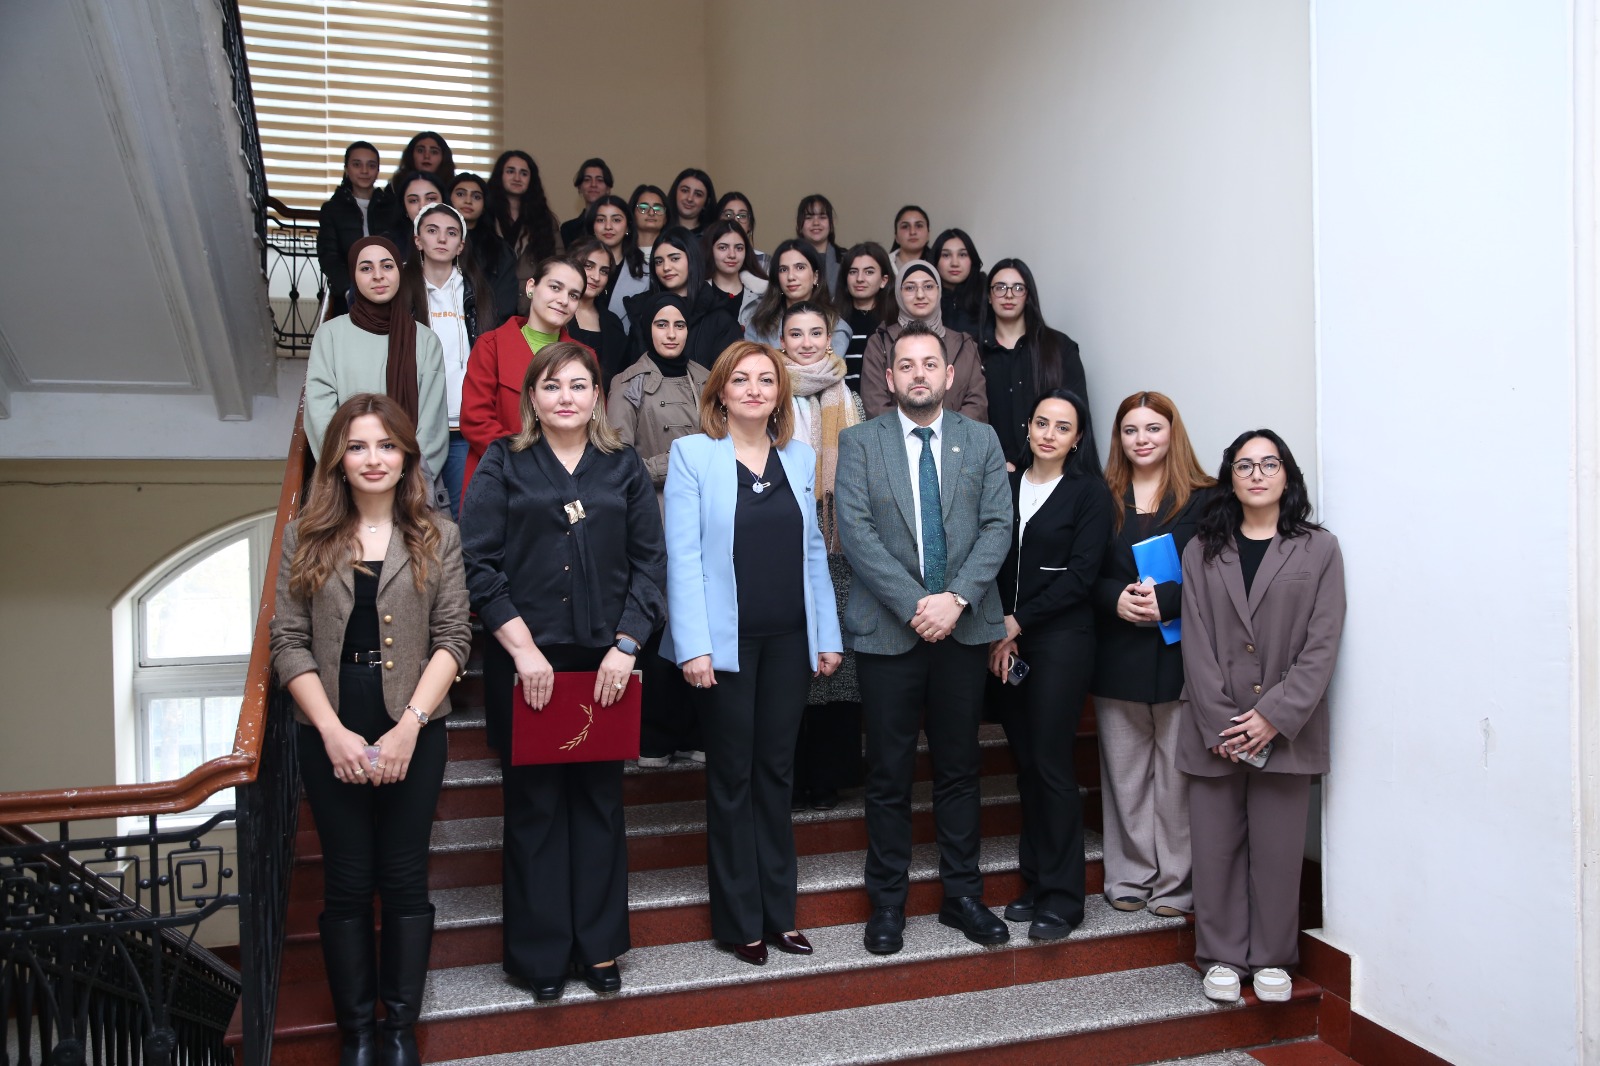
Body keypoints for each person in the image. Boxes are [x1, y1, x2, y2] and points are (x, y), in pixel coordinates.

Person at [460, 342, 667, 1002]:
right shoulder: (504, 461)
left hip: (605, 664)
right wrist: (523, 652)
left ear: (597, 395)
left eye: (578, 385)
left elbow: (650, 562)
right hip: (527, 663)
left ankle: (599, 947)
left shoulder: (622, 464)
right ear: (533, 398)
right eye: (552, 386)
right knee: (535, 810)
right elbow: (478, 564)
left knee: (600, 806)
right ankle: (541, 955)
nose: (566, 397)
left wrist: (627, 644)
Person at [270, 393, 471, 1066]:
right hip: (330, 721)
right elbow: (288, 641)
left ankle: (399, 1031)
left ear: (407, 455)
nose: (373, 458)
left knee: (406, 878)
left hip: (415, 720)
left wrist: (411, 727)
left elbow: (453, 638)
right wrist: (329, 731)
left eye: (386, 445)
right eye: (357, 446)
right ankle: (356, 1034)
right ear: (338, 459)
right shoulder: (304, 535)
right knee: (348, 882)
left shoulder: (438, 535)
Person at [662, 340, 843, 965]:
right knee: (732, 778)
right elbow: (683, 556)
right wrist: (694, 646)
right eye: (741, 379)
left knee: (776, 775)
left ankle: (779, 915)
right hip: (724, 646)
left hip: (790, 641)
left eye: (766, 380)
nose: (754, 389)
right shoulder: (693, 455)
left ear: (779, 395)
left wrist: (826, 636)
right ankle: (740, 920)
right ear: (720, 392)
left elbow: (814, 551)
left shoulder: (798, 456)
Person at [835, 322, 1013, 955]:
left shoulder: (981, 439)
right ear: (889, 378)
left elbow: (998, 525)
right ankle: (887, 903)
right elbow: (855, 531)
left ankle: (963, 896)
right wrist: (918, 604)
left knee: (960, 768)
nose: (918, 374)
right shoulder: (859, 441)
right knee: (888, 774)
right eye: (906, 365)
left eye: (929, 364)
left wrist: (956, 599)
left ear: (949, 375)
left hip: (963, 631)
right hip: (890, 632)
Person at [1179, 429, 1345, 1006]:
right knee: (1215, 848)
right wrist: (1224, 721)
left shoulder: (1319, 549)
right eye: (1244, 465)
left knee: (1278, 852)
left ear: (1286, 476)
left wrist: (1272, 715)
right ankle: (1221, 955)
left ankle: (1274, 956)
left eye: (1269, 464)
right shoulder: (1202, 550)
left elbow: (1322, 644)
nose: (1257, 474)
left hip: (1287, 731)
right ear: (1229, 477)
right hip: (1215, 729)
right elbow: (1195, 642)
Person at [986, 390, 1112, 940]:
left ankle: (1064, 899)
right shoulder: (1006, 484)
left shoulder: (1089, 493)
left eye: (1063, 427)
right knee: (1027, 765)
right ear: (1028, 426)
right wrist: (1001, 631)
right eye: (1042, 423)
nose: (1049, 434)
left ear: (1077, 438)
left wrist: (1017, 623)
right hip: (1008, 641)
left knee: (1052, 763)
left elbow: (1081, 577)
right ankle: (1036, 882)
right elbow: (992, 562)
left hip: (1061, 639)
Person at [1091, 391, 1213, 919]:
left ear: (1172, 432)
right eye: (1130, 430)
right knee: (1124, 777)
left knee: (1177, 779)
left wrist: (1170, 600)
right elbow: (1081, 570)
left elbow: (1221, 575)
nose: (1142, 439)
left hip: (1181, 657)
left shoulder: (1207, 498)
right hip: (1117, 654)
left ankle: (1175, 886)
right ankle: (1129, 876)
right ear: (1118, 438)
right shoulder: (1098, 495)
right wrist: (1112, 598)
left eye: (1153, 428)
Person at [607, 292, 712, 768]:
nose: (671, 333)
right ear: (647, 329)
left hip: (708, 517)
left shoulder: (708, 378)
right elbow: (616, 461)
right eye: (662, 324)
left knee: (699, 623)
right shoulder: (628, 382)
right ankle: (655, 735)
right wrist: (681, 461)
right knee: (657, 624)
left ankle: (696, 730)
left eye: (680, 325)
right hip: (656, 515)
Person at [777, 303, 865, 810]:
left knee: (839, 664)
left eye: (816, 333)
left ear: (830, 340)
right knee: (792, 661)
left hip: (840, 544)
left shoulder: (849, 397)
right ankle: (789, 777)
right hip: (783, 542)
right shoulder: (768, 394)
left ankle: (829, 776)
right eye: (796, 334)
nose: (807, 342)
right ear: (781, 341)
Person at [305, 237, 449, 500]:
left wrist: (404, 476)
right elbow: (320, 413)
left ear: (399, 273)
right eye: (366, 268)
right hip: (347, 483)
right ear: (354, 275)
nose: (378, 276)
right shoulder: (330, 335)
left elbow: (432, 423)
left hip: (411, 487)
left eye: (387, 266)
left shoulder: (426, 340)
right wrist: (351, 469)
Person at [399, 202, 499, 519]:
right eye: (432, 231)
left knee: (460, 517)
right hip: (416, 425)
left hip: (462, 426)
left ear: (461, 245)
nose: (442, 239)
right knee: (414, 513)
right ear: (418, 241)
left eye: (451, 233)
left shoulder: (477, 290)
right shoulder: (400, 290)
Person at [458, 257, 587, 494]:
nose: (563, 300)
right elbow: (476, 421)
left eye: (573, 295)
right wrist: (532, 460)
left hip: (567, 481)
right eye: (555, 287)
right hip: (500, 479)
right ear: (531, 287)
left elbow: (594, 424)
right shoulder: (491, 346)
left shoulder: (585, 357)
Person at [979, 258, 1090, 470]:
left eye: (1018, 288)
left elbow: (1078, 414)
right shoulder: (975, 352)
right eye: (1000, 287)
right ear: (989, 297)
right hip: (994, 473)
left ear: (1028, 295)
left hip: (1053, 472)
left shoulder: (1060, 348)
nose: (1009, 295)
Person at [859, 260, 988, 422]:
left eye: (928, 286)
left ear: (939, 291)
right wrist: (917, 432)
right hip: (896, 437)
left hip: (958, 437)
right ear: (898, 293)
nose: (920, 295)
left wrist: (940, 432)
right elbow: (875, 404)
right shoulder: (880, 342)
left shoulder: (964, 344)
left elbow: (977, 404)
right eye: (910, 288)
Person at [620, 227, 743, 368]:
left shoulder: (720, 318)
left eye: (674, 259)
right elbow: (629, 371)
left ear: (692, 259)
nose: (666, 267)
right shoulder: (642, 311)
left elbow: (728, 375)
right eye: (659, 261)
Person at [319, 141, 399, 315]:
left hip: (389, 292)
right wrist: (349, 290)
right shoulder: (332, 209)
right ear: (347, 169)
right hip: (347, 293)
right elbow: (329, 257)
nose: (364, 171)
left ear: (378, 170)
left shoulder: (392, 207)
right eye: (357, 164)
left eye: (371, 165)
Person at [741, 240, 850, 356]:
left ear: (815, 277)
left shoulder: (835, 325)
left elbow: (833, 366)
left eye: (800, 267)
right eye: (783, 269)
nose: (791, 276)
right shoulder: (759, 323)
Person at [450, 172, 518, 329]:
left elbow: (505, 304)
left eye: (476, 197)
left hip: (487, 331)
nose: (468, 200)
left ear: (484, 205)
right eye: (460, 194)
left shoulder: (500, 249)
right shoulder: (437, 243)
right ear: (448, 199)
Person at [564, 238, 629, 387]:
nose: (596, 277)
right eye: (588, 266)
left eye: (604, 271)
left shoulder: (613, 323)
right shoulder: (555, 312)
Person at [835, 242, 895, 393]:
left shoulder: (894, 321)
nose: (860, 279)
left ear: (884, 280)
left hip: (882, 402)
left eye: (869, 272)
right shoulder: (832, 321)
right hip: (841, 403)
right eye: (853, 272)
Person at [488, 150, 561, 262]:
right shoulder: (485, 214)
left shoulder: (545, 219)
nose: (517, 178)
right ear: (500, 175)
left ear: (531, 180)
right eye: (510, 171)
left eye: (524, 174)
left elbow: (559, 261)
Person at [702, 218, 767, 324]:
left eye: (739, 248)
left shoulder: (761, 295)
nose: (732, 255)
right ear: (710, 250)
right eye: (723, 248)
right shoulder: (698, 293)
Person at [382, 172, 448, 266]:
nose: (422, 206)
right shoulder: (387, 246)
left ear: (444, 202)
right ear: (404, 207)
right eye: (413, 200)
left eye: (430, 198)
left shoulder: (460, 240)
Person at [932, 228, 984, 338]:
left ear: (972, 259)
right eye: (946, 255)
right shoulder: (924, 295)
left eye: (962, 255)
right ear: (935, 260)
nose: (955, 263)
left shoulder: (987, 292)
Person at [796, 194, 844, 292]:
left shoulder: (846, 259)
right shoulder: (788, 260)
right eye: (809, 217)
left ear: (831, 223)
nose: (816, 223)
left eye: (822, 217)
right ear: (799, 224)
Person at [560, 157, 613, 246]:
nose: (593, 184)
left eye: (599, 180)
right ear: (579, 187)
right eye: (587, 180)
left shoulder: (617, 226)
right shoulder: (568, 229)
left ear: (608, 188)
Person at [715, 191, 766, 269]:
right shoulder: (703, 258)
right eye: (728, 215)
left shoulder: (764, 262)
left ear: (750, 225)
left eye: (742, 216)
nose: (735, 220)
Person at [387, 131, 454, 190]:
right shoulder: (395, 187)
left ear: (443, 157)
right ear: (411, 155)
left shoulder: (453, 188)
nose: (426, 156)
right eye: (420, 151)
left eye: (434, 152)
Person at [667, 167, 715, 234]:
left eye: (698, 194)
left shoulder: (712, 235)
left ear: (707, 201)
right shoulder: (660, 230)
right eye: (685, 191)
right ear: (675, 193)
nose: (689, 199)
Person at [888, 205, 932, 273]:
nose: (912, 232)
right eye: (905, 226)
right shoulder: (882, 264)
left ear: (928, 234)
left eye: (919, 226)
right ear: (896, 236)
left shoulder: (938, 265)